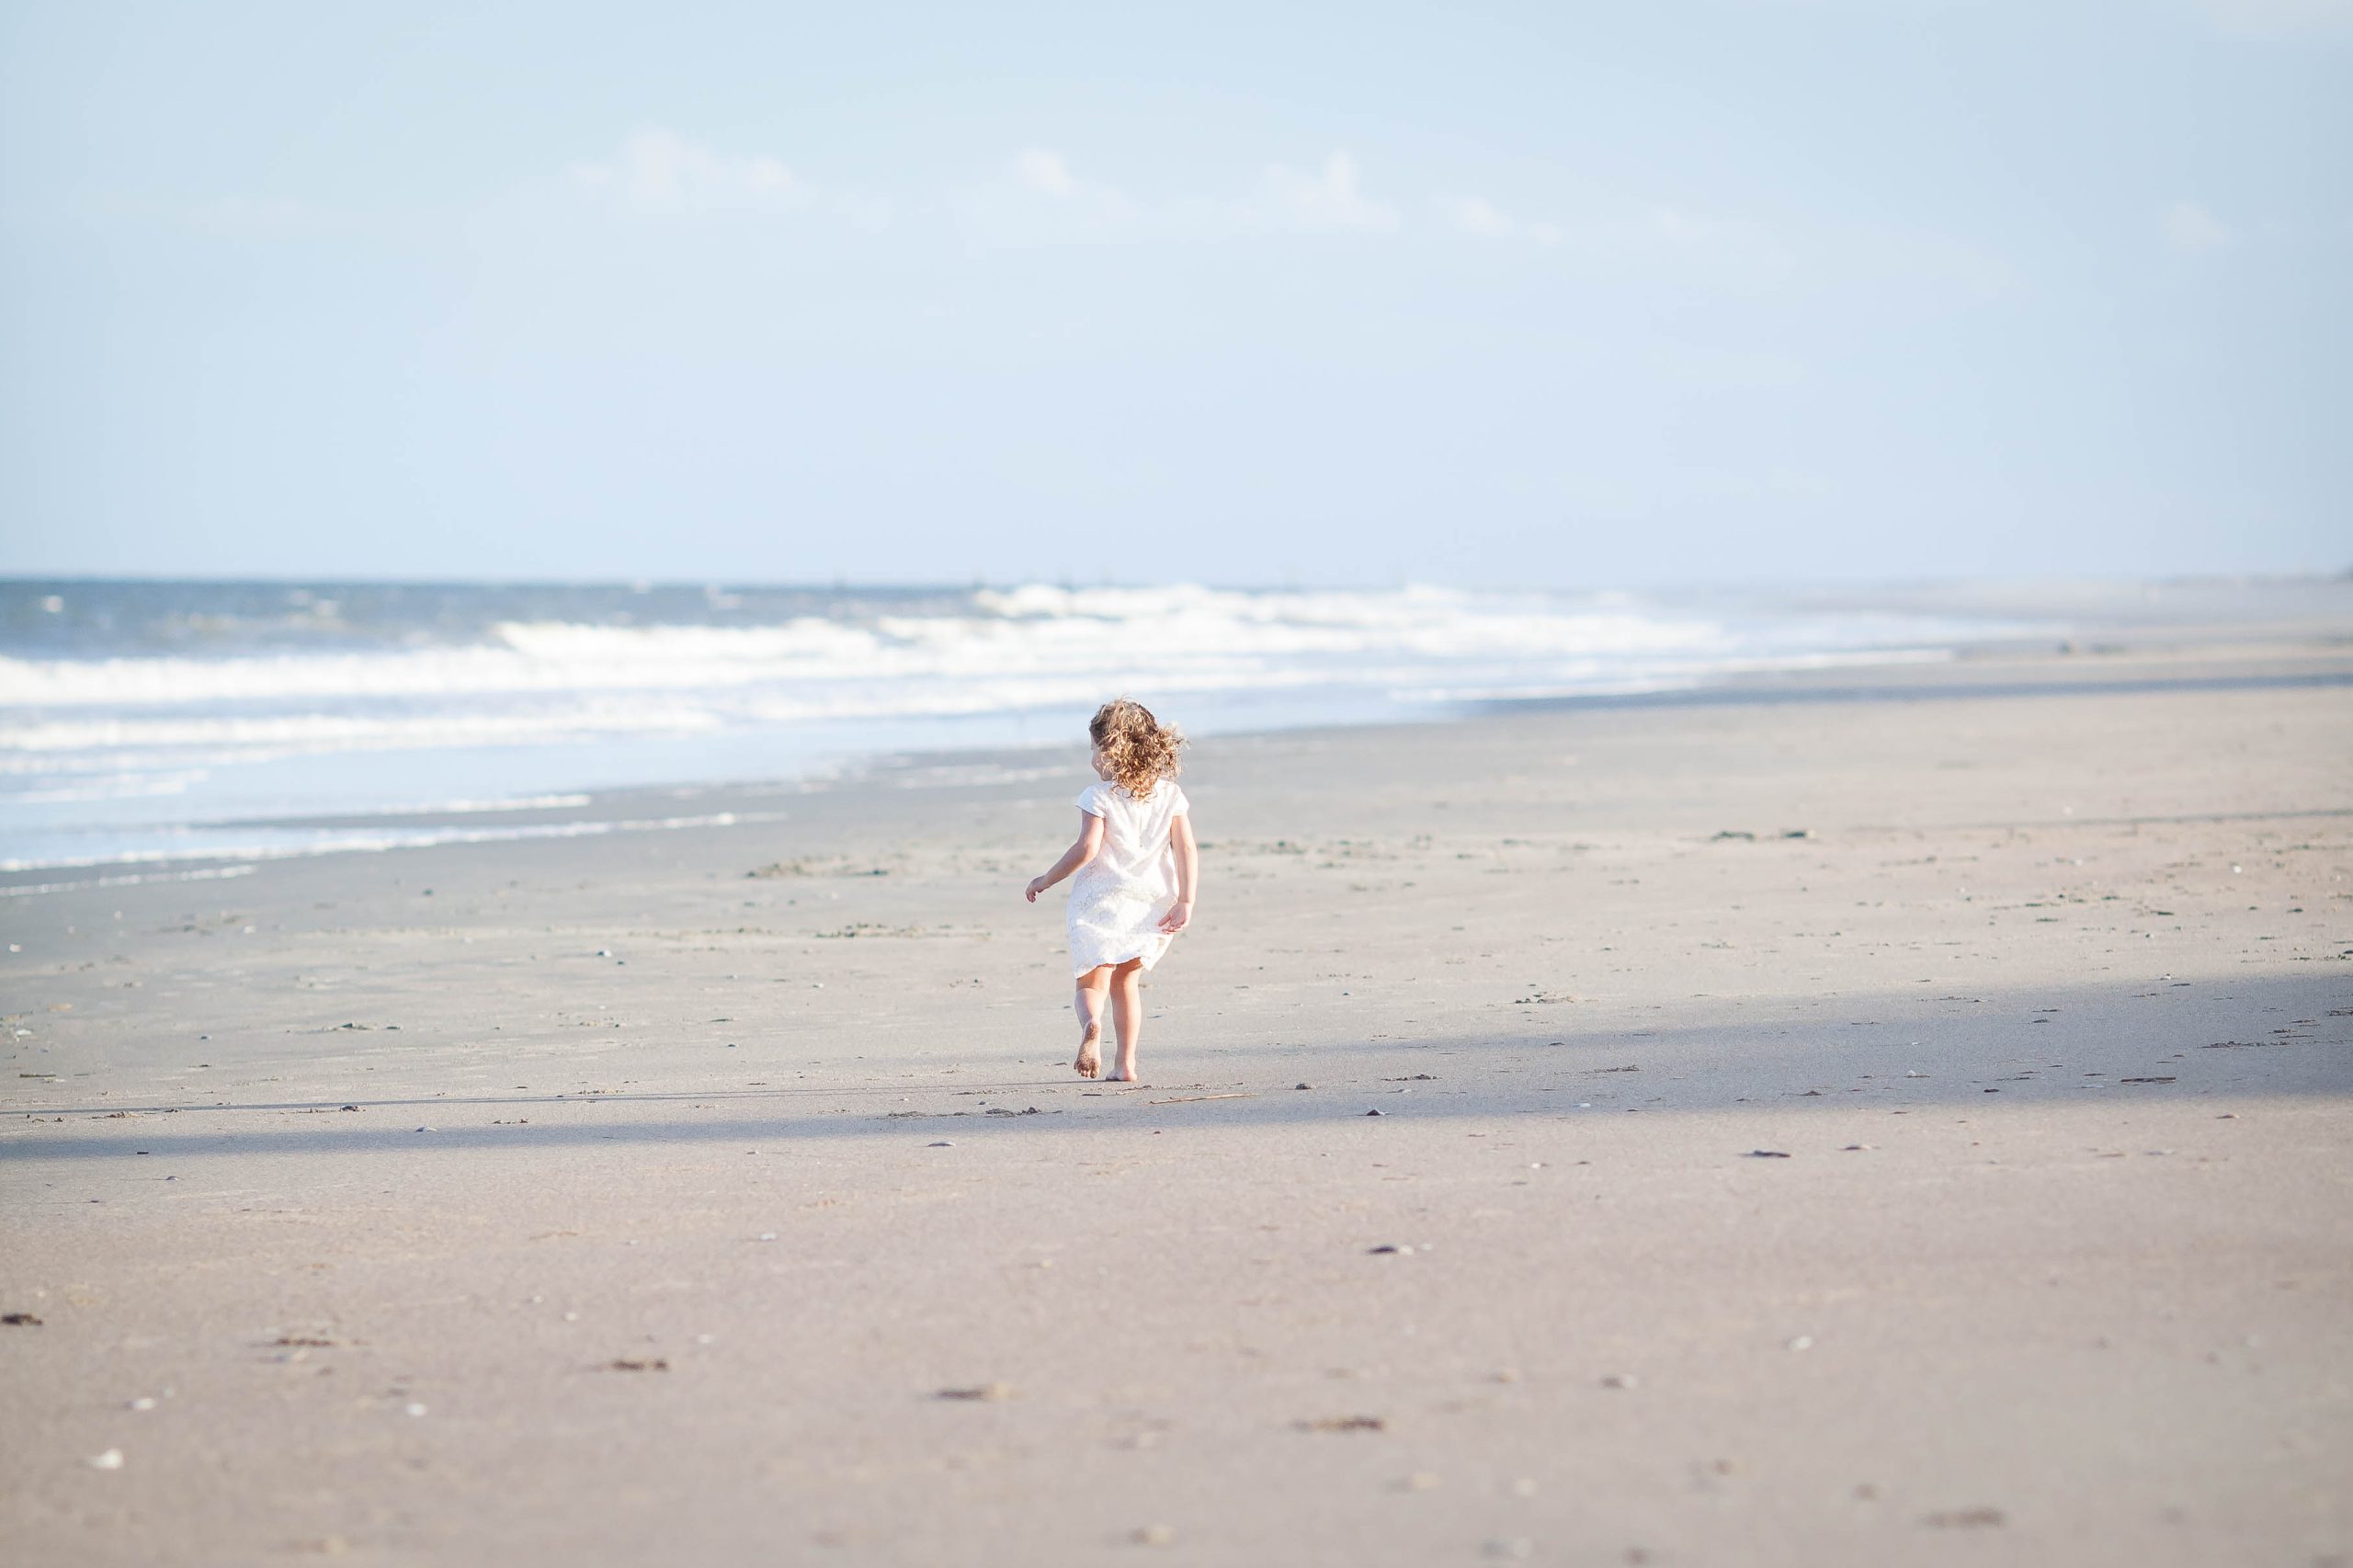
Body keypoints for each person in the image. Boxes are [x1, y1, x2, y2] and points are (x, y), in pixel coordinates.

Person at [1024, 699, 1197, 1082]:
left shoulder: (1097, 796)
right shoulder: (1169, 795)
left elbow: (1086, 849)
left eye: (1093, 748)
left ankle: (1092, 1023)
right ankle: (1125, 1065)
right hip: (1150, 903)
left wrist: (1045, 879)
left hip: (1100, 902)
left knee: (1092, 980)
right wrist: (1187, 899)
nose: (1091, 758)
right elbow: (1185, 848)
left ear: (1109, 751)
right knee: (1127, 983)